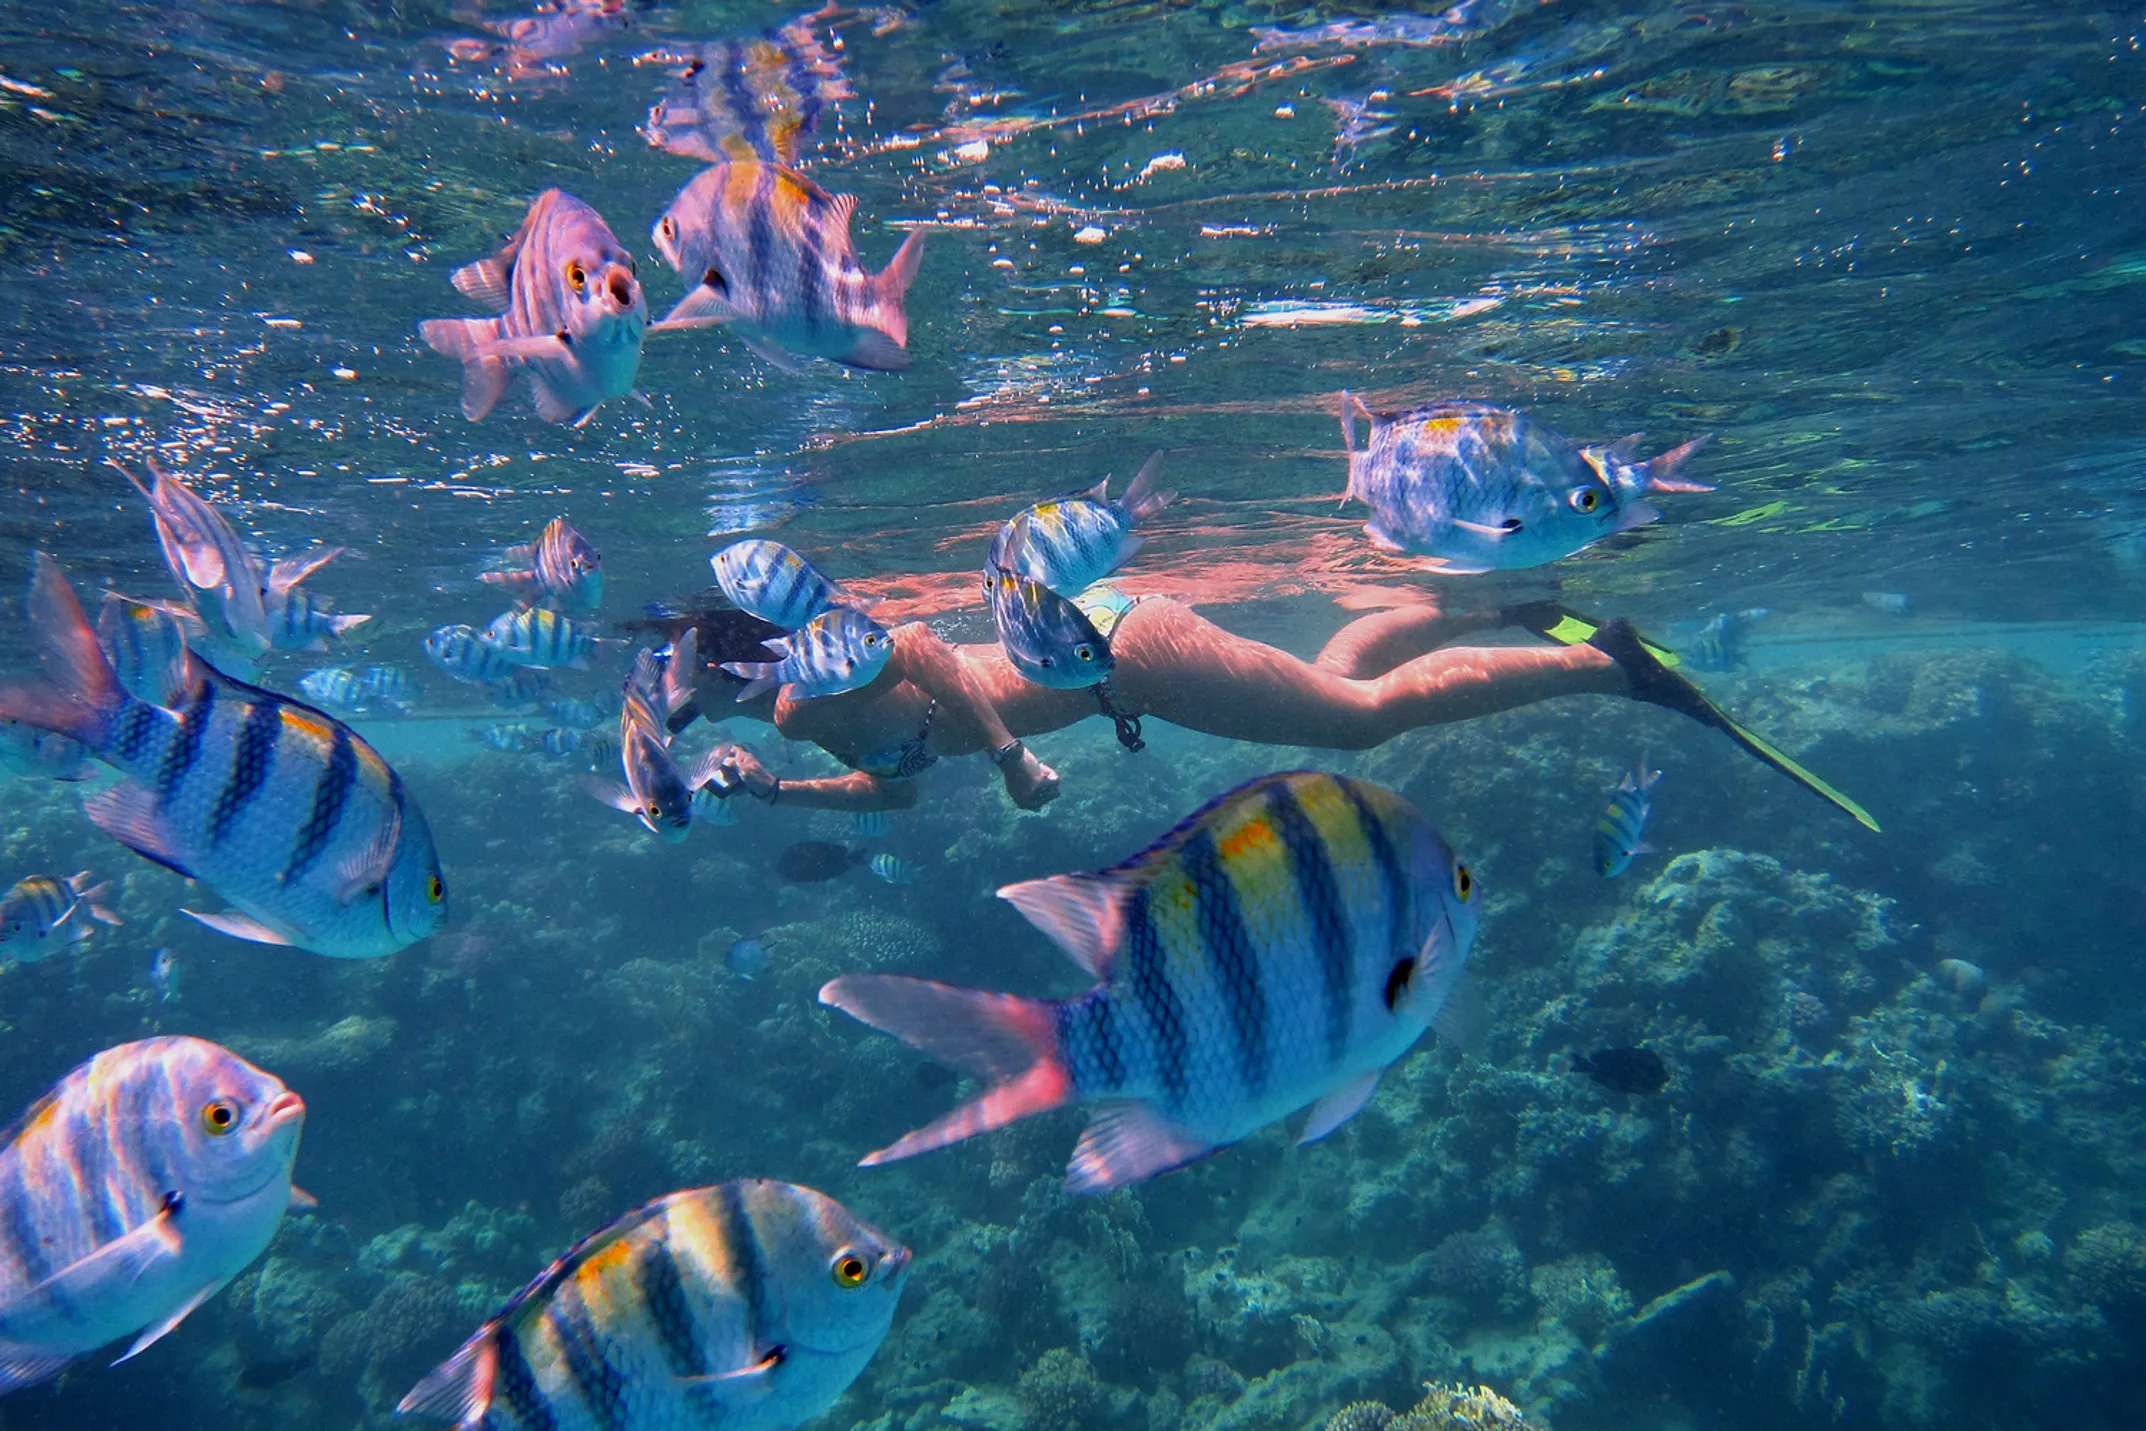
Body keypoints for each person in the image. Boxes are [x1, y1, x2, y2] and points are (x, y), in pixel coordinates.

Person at [652, 591, 1876, 830]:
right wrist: (776, 796)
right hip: (1120, 662)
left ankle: (1613, 664)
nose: (665, 697)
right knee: (1339, 694)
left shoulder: (815, 674)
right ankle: (1490, 607)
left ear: (722, 657)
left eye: (674, 674)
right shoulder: (793, 726)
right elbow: (903, 789)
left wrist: (1018, 756)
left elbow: (919, 640)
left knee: (1361, 726)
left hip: (1125, 652)